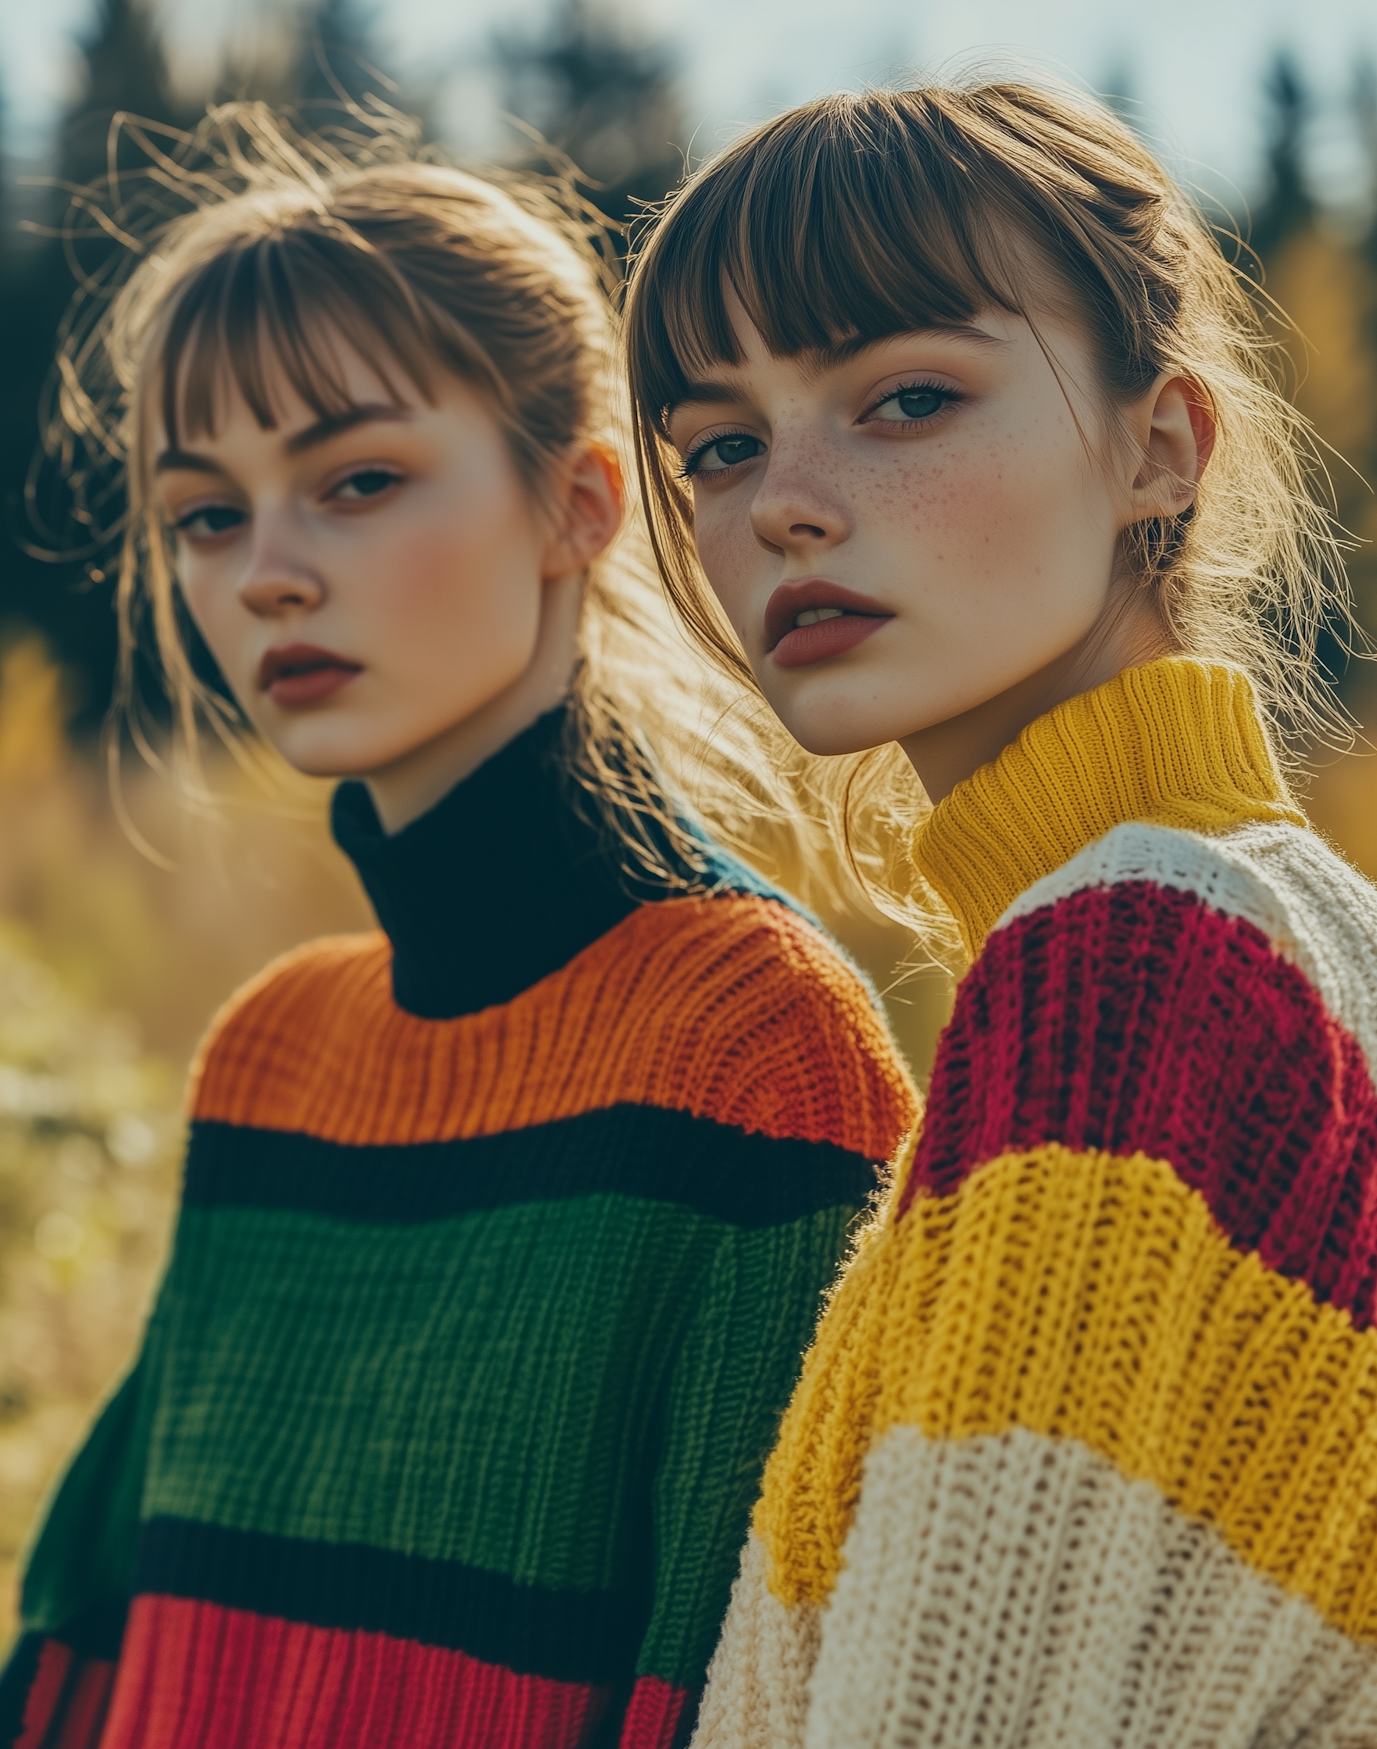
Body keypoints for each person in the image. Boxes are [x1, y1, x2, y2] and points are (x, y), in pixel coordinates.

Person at [0, 109, 918, 1749]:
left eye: (356, 481)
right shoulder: (274, 1055)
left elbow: (749, 1689)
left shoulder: (753, 1049)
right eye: (206, 513)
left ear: (577, 503)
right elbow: (99, 1656)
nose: (268, 571)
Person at [623, 80, 1377, 1747]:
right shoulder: (1315, 928)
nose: (783, 503)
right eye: (721, 444)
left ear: (1160, 444)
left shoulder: (1133, 962)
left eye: (905, 398)